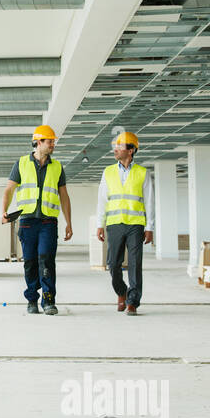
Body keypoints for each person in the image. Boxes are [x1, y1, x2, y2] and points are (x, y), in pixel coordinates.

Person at [0, 125, 72, 315]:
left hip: (48, 222)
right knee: (30, 262)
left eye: (53, 142)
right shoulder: (21, 163)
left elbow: (64, 196)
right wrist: (4, 211)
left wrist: (69, 222)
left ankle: (48, 300)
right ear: (38, 142)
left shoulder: (57, 167)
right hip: (28, 222)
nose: (53, 145)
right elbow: (9, 190)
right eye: (50, 141)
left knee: (47, 260)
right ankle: (32, 299)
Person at [95, 131, 154, 316]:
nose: (116, 150)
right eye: (116, 146)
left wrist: (149, 227)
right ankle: (122, 292)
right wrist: (99, 224)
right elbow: (102, 200)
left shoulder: (143, 173)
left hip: (135, 225)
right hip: (114, 224)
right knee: (113, 264)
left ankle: (133, 302)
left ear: (131, 150)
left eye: (120, 147)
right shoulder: (108, 172)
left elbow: (150, 202)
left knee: (135, 265)